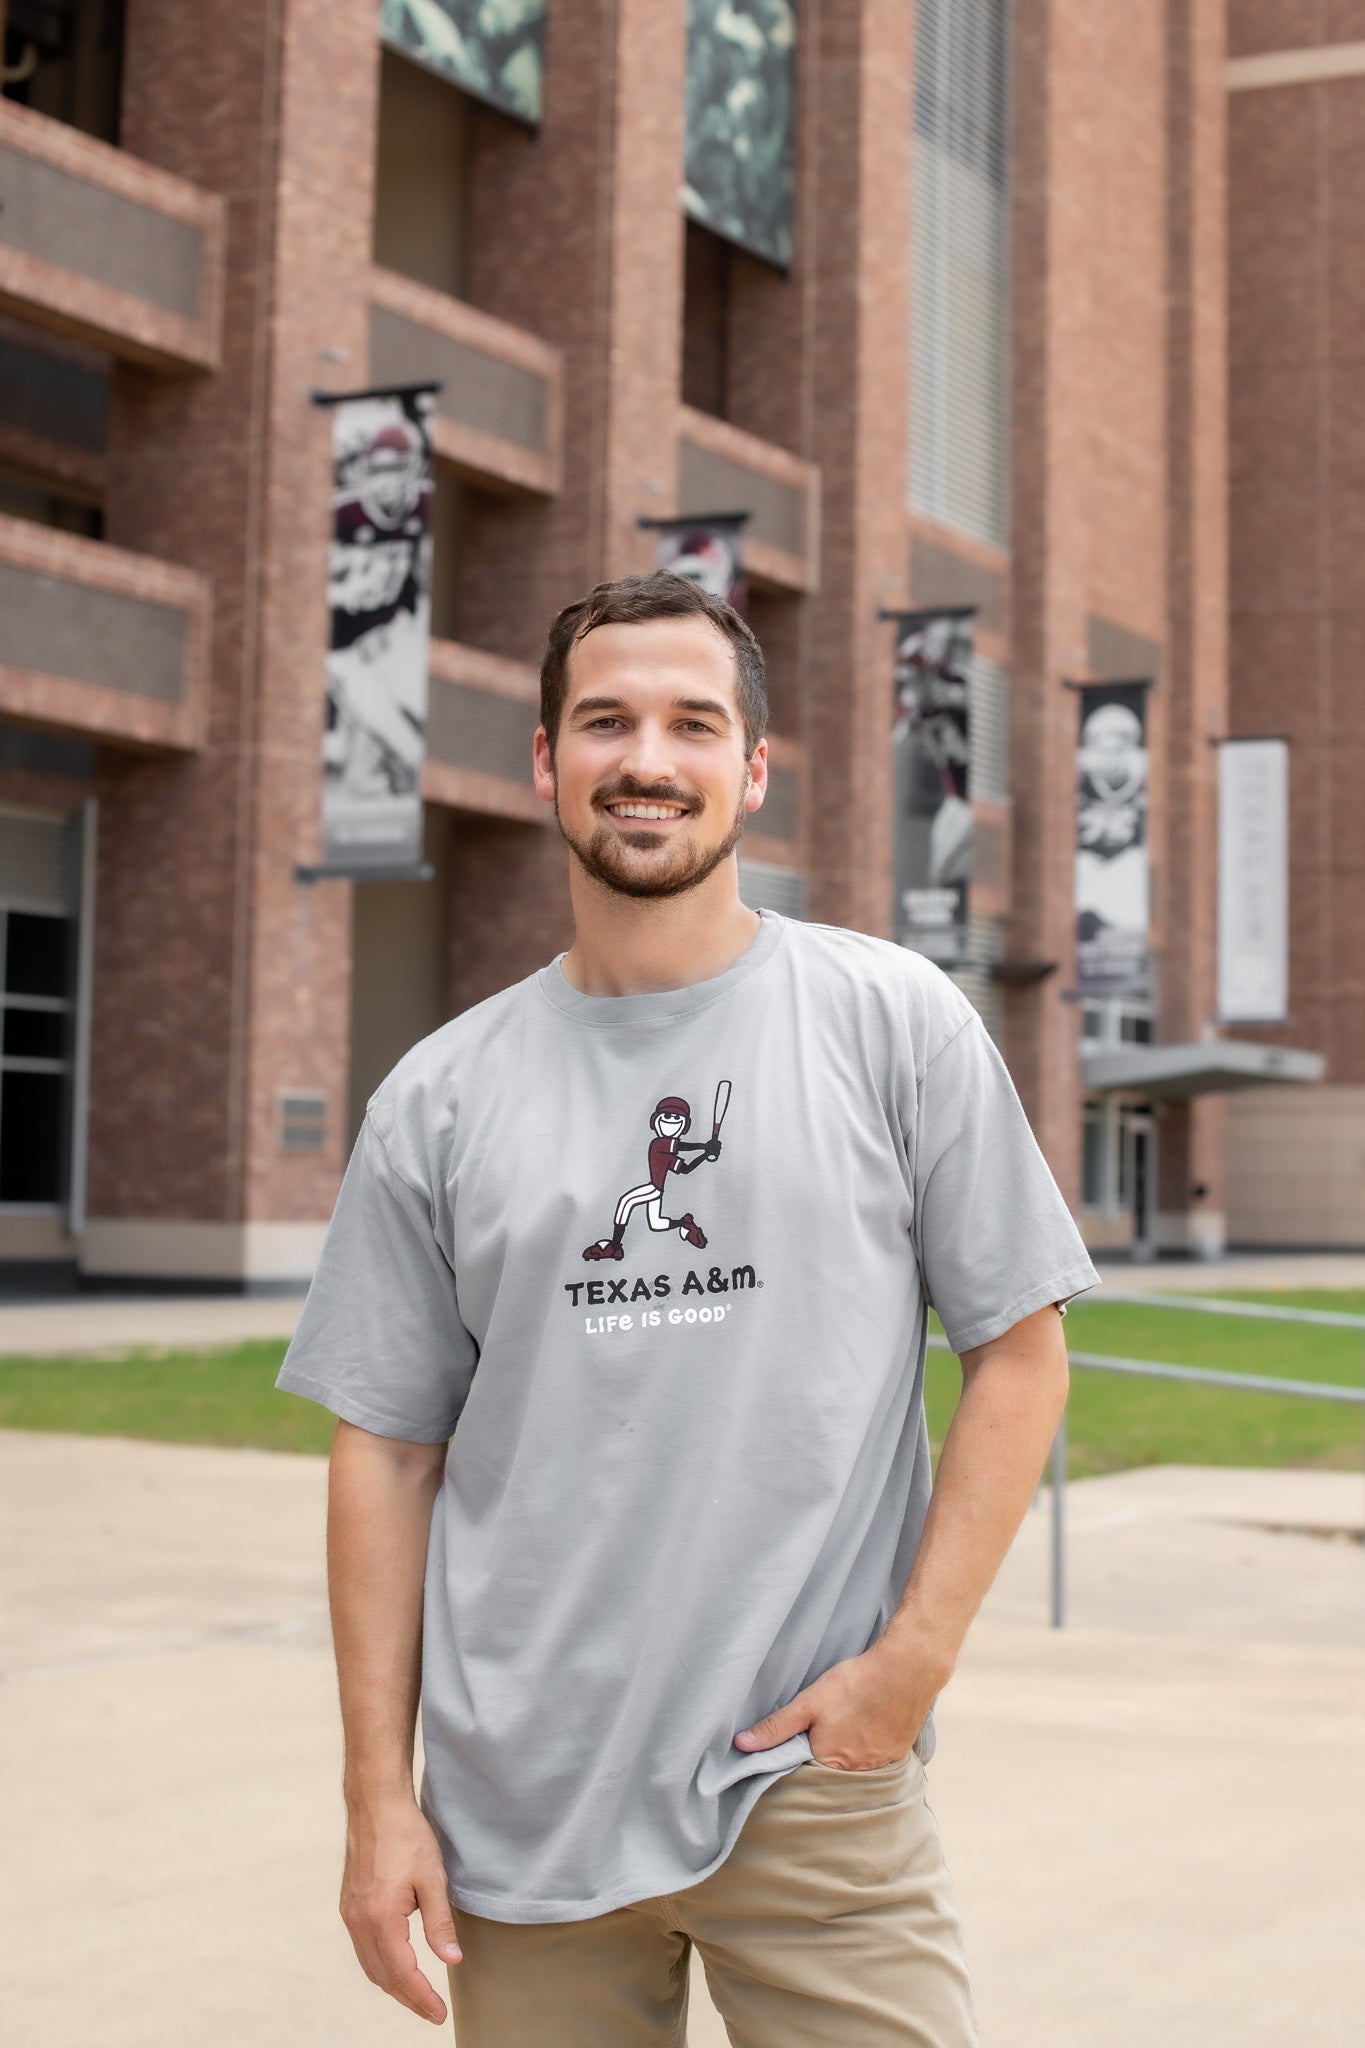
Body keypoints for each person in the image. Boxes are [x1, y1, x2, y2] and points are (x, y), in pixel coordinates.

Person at [277, 571, 1099, 2045]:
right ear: (544, 762)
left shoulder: (890, 1022)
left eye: (690, 725)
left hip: (808, 1781)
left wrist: (906, 1668)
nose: (645, 759)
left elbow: (1020, 1355)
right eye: (603, 722)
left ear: (751, 769)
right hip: (518, 1818)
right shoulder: (440, 1097)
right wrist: (376, 1802)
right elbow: (385, 1455)